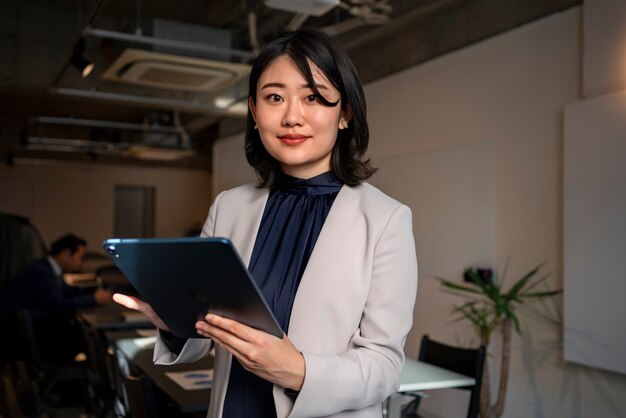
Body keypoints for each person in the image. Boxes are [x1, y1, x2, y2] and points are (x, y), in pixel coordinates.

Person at [114, 28, 418, 418]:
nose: (292, 116)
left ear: (345, 113)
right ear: (255, 113)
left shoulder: (385, 220)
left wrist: (298, 371)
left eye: (313, 97)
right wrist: (174, 323)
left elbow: (385, 368)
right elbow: (206, 334)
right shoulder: (229, 207)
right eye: (275, 97)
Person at [3, 233, 112, 364]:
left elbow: (68, 292)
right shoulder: (41, 273)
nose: (80, 262)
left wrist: (92, 293)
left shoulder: (46, 268)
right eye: (79, 257)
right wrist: (93, 299)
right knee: (95, 340)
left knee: (88, 336)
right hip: (37, 343)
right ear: (66, 253)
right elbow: (59, 303)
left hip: (36, 335)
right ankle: (99, 379)